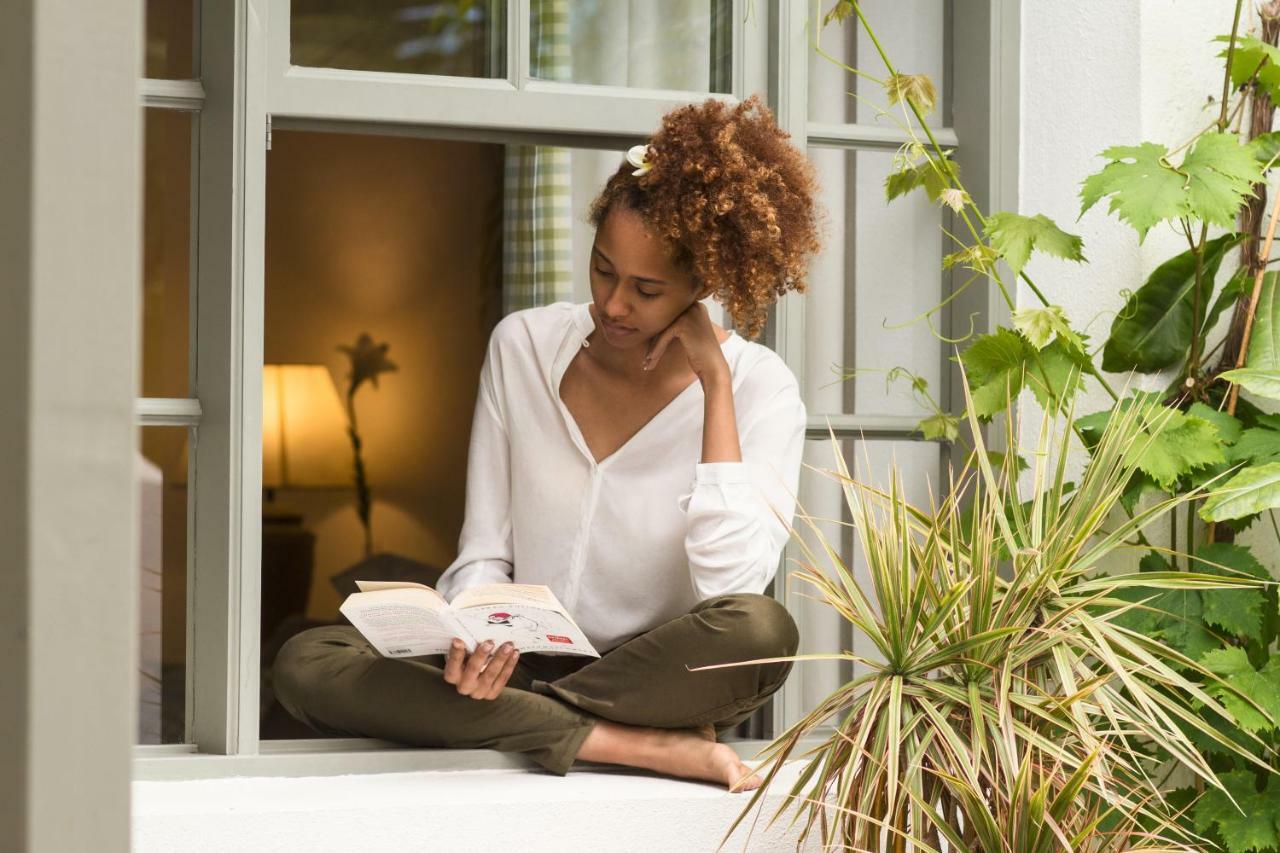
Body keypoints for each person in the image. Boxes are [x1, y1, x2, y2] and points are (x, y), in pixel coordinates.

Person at [272, 94, 825, 793]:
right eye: (602, 270)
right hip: (518, 656)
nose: (615, 304)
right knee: (306, 657)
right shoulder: (524, 347)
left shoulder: (762, 390)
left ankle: (514, 722)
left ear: (703, 283)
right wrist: (474, 631)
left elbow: (731, 586)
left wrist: (716, 387)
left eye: (647, 289)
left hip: (651, 675)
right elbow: (483, 552)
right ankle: (630, 745)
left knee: (762, 632)